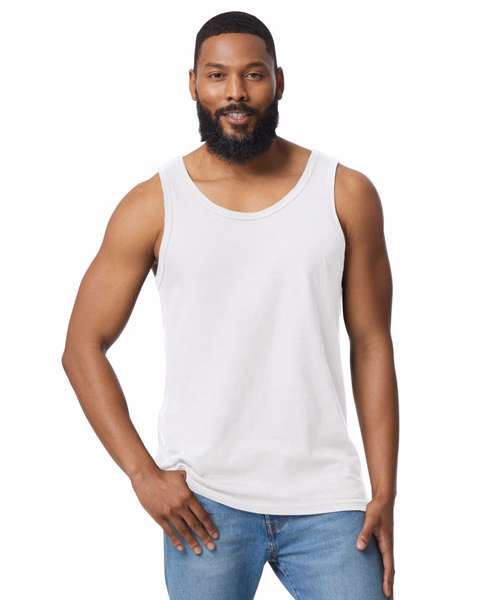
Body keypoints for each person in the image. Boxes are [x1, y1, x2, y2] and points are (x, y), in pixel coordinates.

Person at [61, 10, 398, 600]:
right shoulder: (153, 204)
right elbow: (82, 347)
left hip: (328, 500)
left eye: (253, 74)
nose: (235, 92)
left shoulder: (345, 192)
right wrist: (143, 475)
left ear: (279, 81)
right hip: (202, 504)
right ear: (193, 84)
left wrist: (385, 489)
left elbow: (371, 342)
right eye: (217, 76)